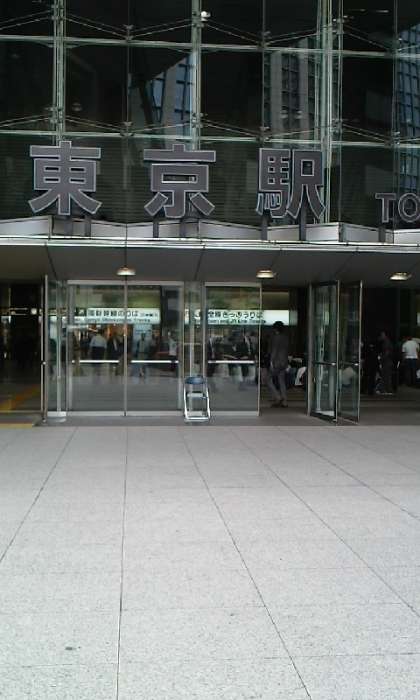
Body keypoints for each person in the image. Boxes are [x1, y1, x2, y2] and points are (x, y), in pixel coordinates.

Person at [267, 320, 289, 407]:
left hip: (276, 362)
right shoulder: (285, 337)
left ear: (275, 329)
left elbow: (274, 350)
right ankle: (285, 401)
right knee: (281, 381)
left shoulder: (276, 337)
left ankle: (278, 397)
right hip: (284, 362)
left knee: (268, 379)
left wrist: (271, 362)